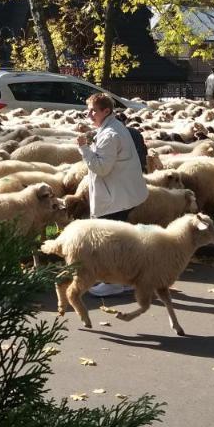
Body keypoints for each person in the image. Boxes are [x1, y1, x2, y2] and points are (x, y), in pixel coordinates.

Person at [76, 92, 149, 297]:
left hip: (116, 197)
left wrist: (83, 148)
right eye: (88, 110)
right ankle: (126, 279)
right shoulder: (113, 128)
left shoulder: (110, 134)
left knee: (109, 241)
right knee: (120, 239)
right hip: (122, 194)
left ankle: (112, 282)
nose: (89, 114)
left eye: (93, 111)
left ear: (106, 111)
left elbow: (101, 168)